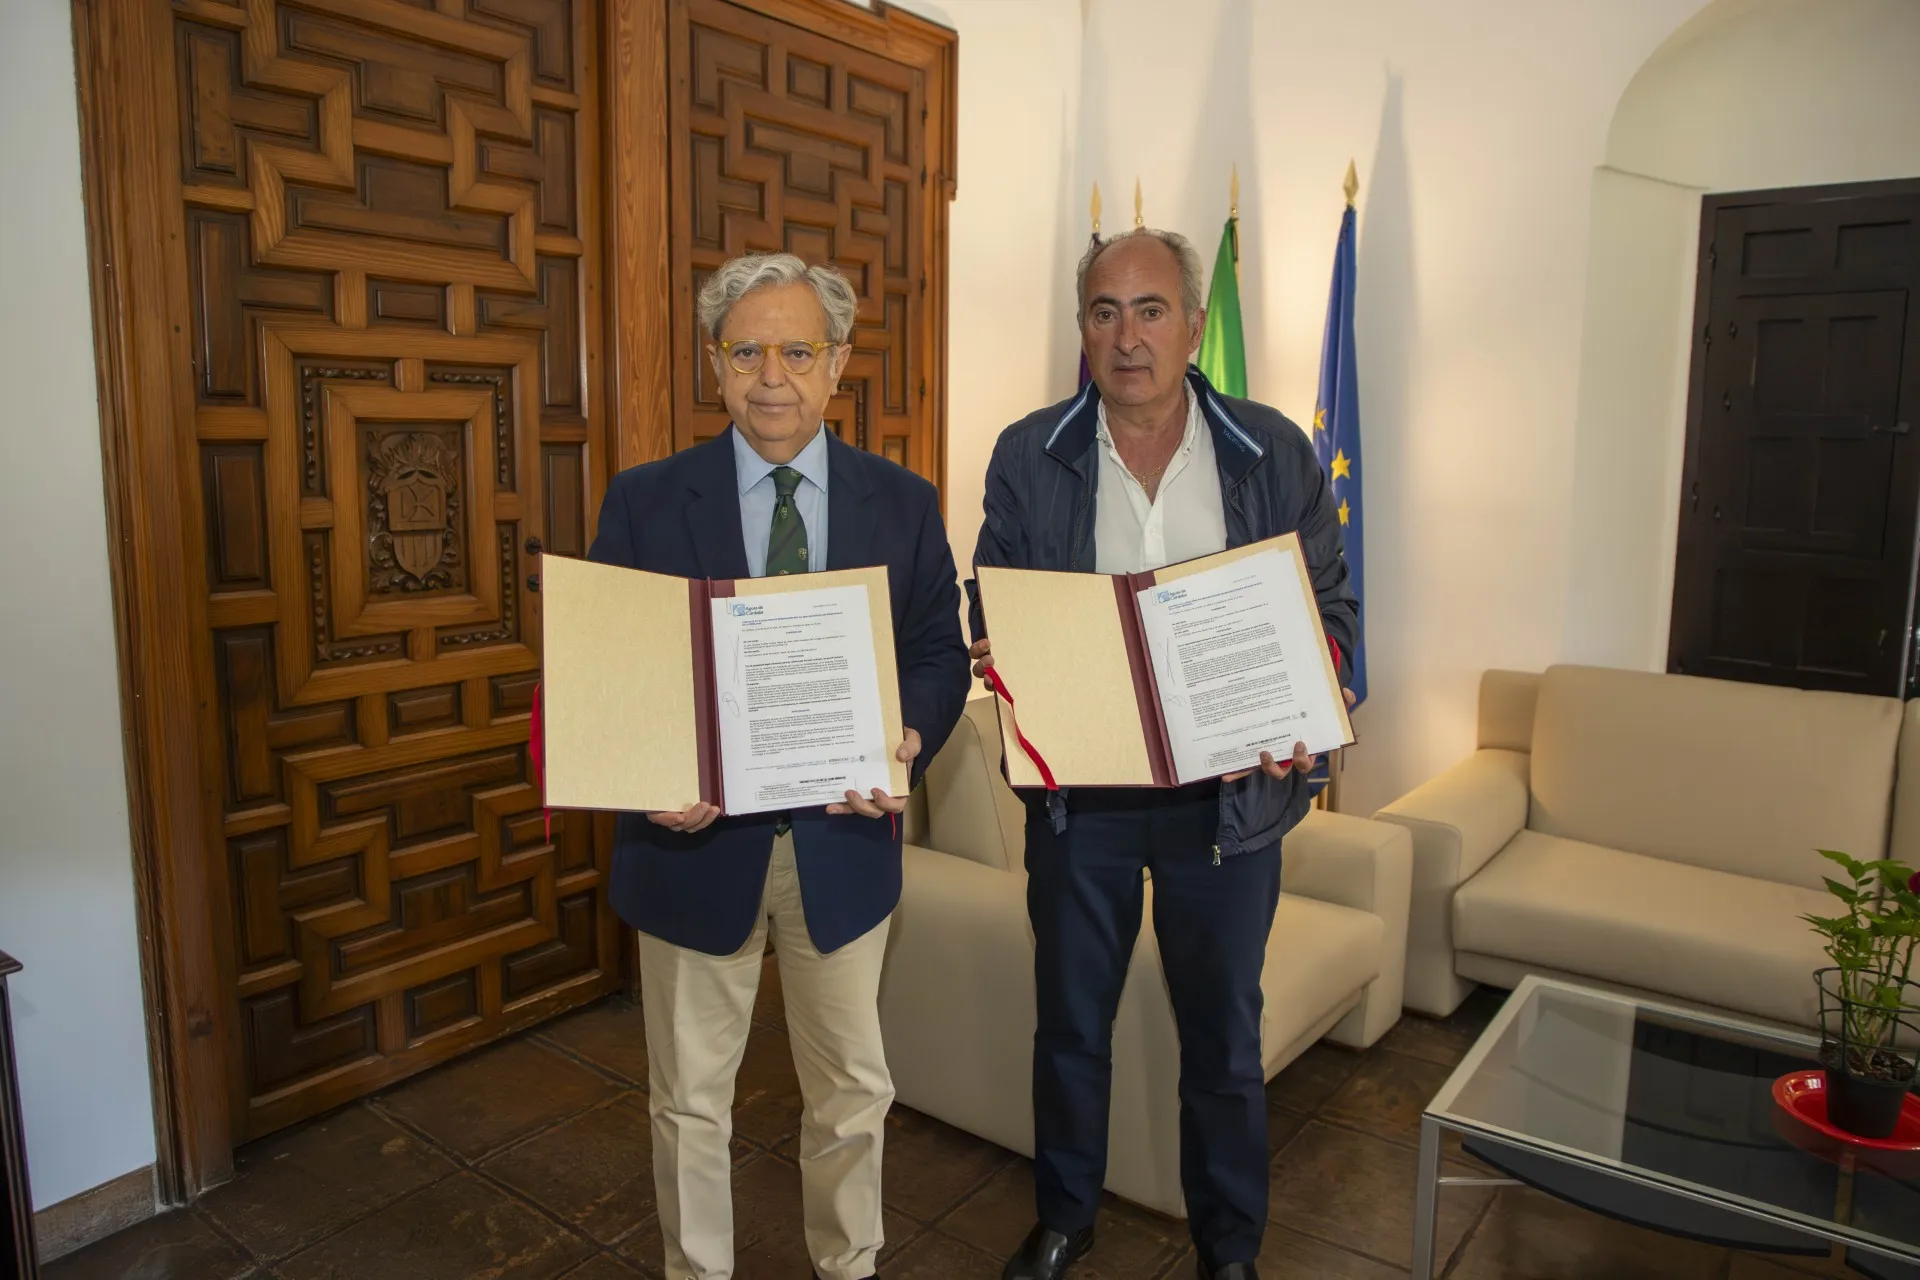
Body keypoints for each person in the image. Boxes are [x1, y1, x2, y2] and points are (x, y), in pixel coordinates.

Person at [969, 228, 1359, 1280]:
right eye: (1104, 311)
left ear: (1194, 325)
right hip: (1079, 799)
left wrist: (1309, 689)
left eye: (1150, 310)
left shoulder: (1271, 450)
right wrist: (998, 633)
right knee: (1070, 1023)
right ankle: (1065, 1215)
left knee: (1223, 1044)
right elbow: (991, 582)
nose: (1127, 336)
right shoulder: (1028, 450)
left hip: (1226, 806)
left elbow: (1331, 609)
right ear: (1083, 330)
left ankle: (1229, 1249)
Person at [588, 252, 970, 1280]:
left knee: (851, 1090)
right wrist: (642, 769)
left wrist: (911, 736)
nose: (772, 375)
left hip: (843, 843)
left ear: (838, 361)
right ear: (713, 364)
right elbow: (610, 665)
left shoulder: (902, 501)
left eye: (798, 349)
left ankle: (849, 1264)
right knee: (688, 1100)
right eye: (746, 349)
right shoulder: (645, 500)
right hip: (690, 846)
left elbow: (940, 647)